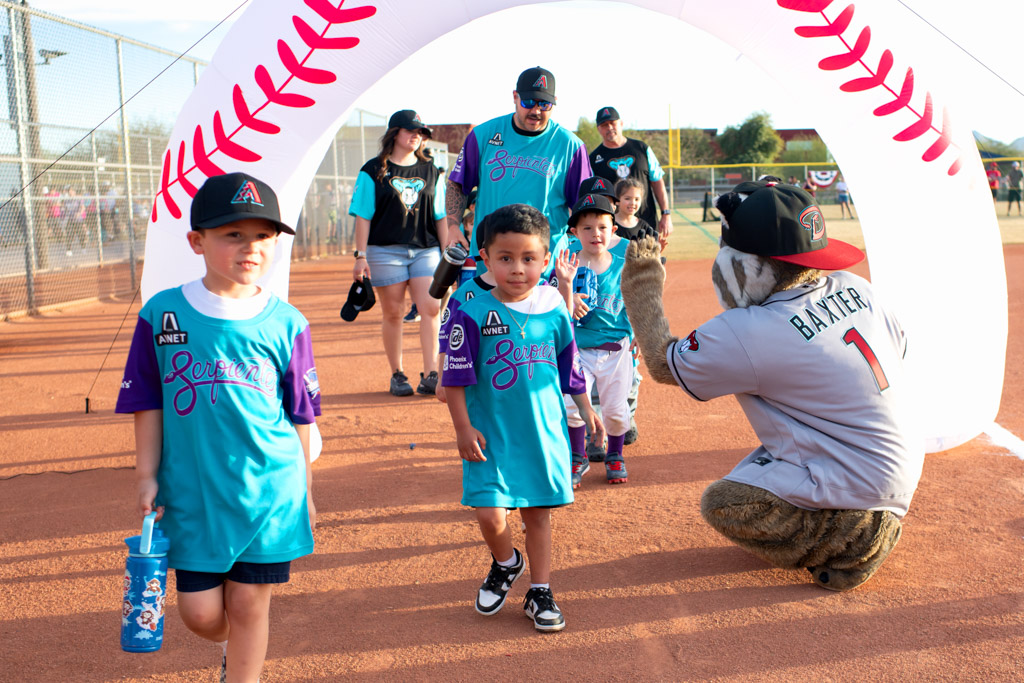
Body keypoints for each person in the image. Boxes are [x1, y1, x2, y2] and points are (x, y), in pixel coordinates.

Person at [621, 178, 922, 592]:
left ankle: (857, 541)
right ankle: (857, 512)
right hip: (900, 455)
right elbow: (900, 350)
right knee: (764, 459)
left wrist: (641, 276)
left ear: (750, 268)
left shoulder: (751, 329)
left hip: (863, 480)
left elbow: (661, 362)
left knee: (726, 503)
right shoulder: (857, 286)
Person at [115, 172, 320, 681]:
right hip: (194, 493)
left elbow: (300, 414)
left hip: (269, 489)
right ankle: (235, 647)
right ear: (197, 241)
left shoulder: (288, 322)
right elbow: (147, 401)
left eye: (263, 235)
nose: (251, 247)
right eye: (233, 234)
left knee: (249, 603)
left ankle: (244, 671)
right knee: (201, 614)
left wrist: (306, 489)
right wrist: (146, 475)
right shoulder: (162, 314)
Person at [442, 204, 604, 632]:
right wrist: (462, 427)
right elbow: (454, 378)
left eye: (529, 258)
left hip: (541, 435)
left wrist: (586, 408)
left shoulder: (554, 309)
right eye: (506, 258)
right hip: (490, 436)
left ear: (545, 260)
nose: (518, 268)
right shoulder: (471, 311)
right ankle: (506, 561)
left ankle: (540, 590)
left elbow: (570, 366)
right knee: (489, 514)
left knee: (537, 515)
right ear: (485, 258)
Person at [446, 66, 591, 276]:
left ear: (554, 103)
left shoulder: (570, 146)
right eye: (528, 102)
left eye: (544, 104)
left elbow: (584, 204)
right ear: (515, 97)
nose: (536, 111)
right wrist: (452, 227)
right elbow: (457, 184)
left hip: (545, 264)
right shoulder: (483, 135)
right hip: (491, 259)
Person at [350, 109, 448, 396]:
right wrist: (360, 256)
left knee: (431, 307)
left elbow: (440, 216)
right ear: (395, 133)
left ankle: (431, 373)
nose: (416, 136)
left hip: (426, 249)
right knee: (393, 313)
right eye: (410, 130)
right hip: (384, 251)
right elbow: (363, 216)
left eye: (420, 133)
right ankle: (397, 374)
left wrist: (447, 255)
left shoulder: (431, 170)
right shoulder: (373, 170)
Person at [563, 194, 635, 488]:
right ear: (574, 233)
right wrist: (568, 296)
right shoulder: (566, 263)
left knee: (616, 410)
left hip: (616, 349)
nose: (596, 234)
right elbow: (548, 300)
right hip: (578, 349)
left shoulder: (624, 262)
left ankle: (615, 454)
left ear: (613, 230)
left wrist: (637, 334)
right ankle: (577, 456)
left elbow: (636, 302)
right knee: (572, 406)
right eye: (587, 228)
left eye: (603, 227)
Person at [589, 106, 674, 241]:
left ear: (621, 123)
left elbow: (657, 181)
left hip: (646, 221)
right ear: (599, 129)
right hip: (614, 228)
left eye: (613, 123)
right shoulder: (594, 159)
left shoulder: (641, 149)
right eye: (604, 125)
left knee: (651, 254)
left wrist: (666, 213)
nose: (609, 127)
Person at [612, 177, 658, 243]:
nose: (633, 203)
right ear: (617, 200)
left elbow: (649, 248)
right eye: (627, 198)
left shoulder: (644, 227)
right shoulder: (609, 223)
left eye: (636, 199)